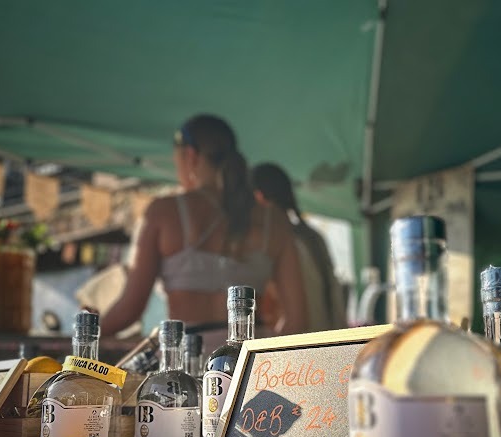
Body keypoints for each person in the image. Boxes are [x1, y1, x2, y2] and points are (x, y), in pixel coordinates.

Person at [99, 115, 307, 350]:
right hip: (251, 360)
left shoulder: (164, 212)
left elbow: (129, 310)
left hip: (188, 359)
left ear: (190, 156)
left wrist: (85, 337)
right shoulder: (274, 221)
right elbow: (297, 321)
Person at [251, 163, 346, 332]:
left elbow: (295, 321)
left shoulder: (285, 244)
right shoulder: (313, 237)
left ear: (259, 198)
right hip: (334, 342)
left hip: (305, 350)